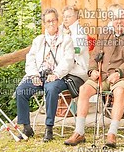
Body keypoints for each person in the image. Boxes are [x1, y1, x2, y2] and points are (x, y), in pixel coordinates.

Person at [64, 4, 124, 148]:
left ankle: (112, 133)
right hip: (103, 75)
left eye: (121, 18)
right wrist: (92, 70)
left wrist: (119, 73)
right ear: (112, 20)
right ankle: (79, 132)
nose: (118, 22)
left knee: (119, 92)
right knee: (84, 90)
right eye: (115, 19)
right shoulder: (104, 35)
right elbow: (94, 55)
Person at [15, 8, 82, 142]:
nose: (51, 23)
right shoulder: (39, 40)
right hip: (40, 75)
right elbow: (31, 59)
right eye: (48, 21)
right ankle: (27, 127)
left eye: (53, 20)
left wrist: (56, 74)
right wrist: (34, 75)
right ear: (44, 23)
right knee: (21, 90)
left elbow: (68, 61)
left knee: (51, 89)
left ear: (57, 21)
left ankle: (49, 127)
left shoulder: (66, 40)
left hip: (60, 76)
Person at [59, 5, 89, 80]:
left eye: (68, 16)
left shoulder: (80, 32)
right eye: (64, 16)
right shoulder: (59, 30)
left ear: (77, 17)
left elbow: (79, 50)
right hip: (60, 66)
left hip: (77, 69)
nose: (65, 19)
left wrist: (65, 51)